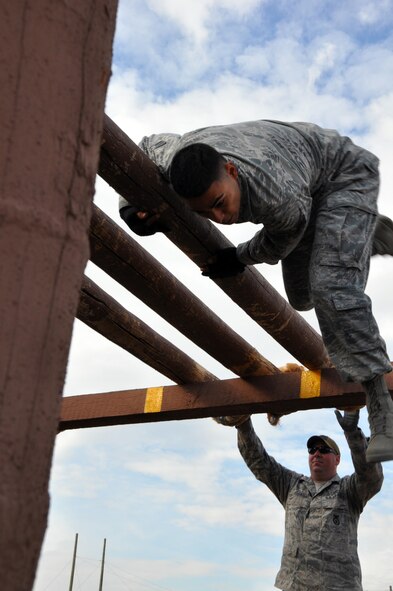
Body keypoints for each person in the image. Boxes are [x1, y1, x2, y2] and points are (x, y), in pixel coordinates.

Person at [119, 119, 393, 462]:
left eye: (220, 202)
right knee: (302, 297)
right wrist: (129, 208)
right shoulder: (174, 157)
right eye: (204, 212)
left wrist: (238, 255)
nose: (219, 217)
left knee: (331, 289)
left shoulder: (274, 191)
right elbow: (144, 145)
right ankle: (357, 235)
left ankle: (382, 409)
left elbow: (280, 240)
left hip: (343, 176)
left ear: (231, 171)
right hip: (304, 190)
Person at [215, 409, 383, 591]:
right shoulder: (292, 485)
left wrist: (352, 432)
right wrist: (242, 423)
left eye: (324, 449)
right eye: (312, 449)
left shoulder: (348, 490)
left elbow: (370, 477)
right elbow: (259, 462)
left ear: (337, 459)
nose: (316, 453)